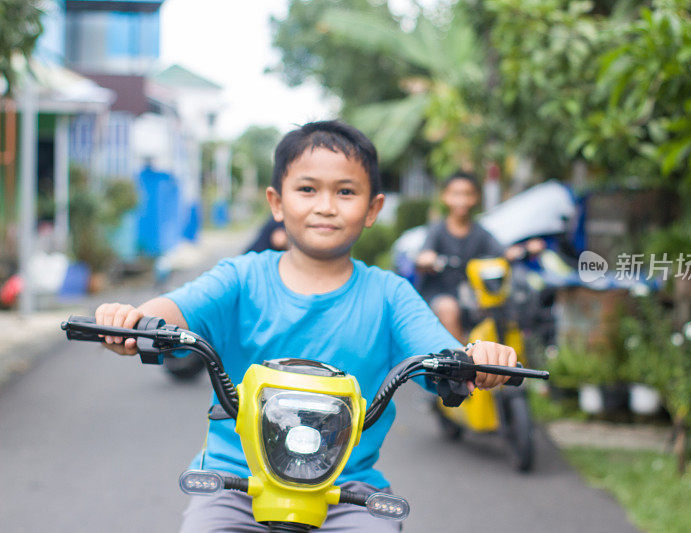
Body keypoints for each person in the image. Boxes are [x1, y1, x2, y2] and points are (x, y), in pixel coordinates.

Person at [93, 121, 519, 533]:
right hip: (235, 484)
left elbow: (441, 350)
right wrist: (135, 320)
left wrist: (476, 358)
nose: (326, 205)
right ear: (277, 202)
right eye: (307, 189)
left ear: (373, 208)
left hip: (346, 491)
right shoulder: (240, 278)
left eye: (346, 191)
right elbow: (176, 307)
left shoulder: (391, 294)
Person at [415, 172, 524, 344]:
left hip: (473, 296)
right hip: (440, 294)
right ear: (445, 196)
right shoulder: (437, 231)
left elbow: (502, 251)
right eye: (456, 194)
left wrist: (524, 249)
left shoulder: (480, 233)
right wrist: (428, 259)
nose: (462, 200)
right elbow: (423, 256)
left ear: (476, 197)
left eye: (467, 194)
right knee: (448, 308)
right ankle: (460, 361)